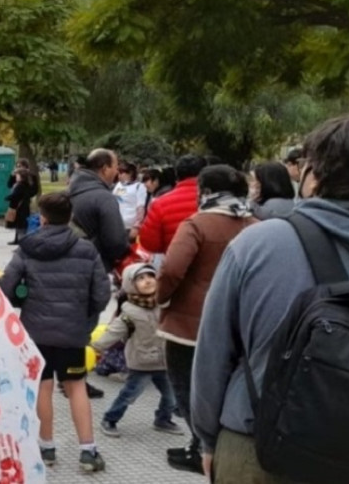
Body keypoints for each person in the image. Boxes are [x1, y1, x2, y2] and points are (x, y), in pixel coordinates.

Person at [193, 116, 349, 481]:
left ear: (314, 175)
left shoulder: (260, 243)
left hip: (259, 444)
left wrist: (208, 440)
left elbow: (213, 355)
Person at [0, 192, 111, 472]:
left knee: (42, 387)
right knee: (76, 387)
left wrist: (21, 301)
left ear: (43, 218)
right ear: (70, 216)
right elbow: (101, 294)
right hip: (73, 333)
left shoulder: (26, 248)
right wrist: (86, 320)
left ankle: (46, 448)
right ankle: (88, 451)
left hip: (36, 333)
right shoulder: (87, 250)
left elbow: (5, 288)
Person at [157, 165, 257, 474]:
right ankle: (213, 445)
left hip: (190, 326)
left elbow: (172, 269)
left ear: (206, 191)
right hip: (241, 324)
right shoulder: (256, 224)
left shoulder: (197, 224)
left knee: (188, 389)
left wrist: (161, 298)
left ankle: (202, 446)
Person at [93, 263, 183, 437]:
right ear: (130, 285)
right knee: (129, 395)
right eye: (140, 278)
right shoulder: (130, 313)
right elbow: (114, 332)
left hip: (164, 360)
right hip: (141, 363)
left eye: (150, 276)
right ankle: (110, 418)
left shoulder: (163, 305)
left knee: (171, 396)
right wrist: (95, 347)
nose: (147, 281)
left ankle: (162, 419)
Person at [68, 148, 129, 271]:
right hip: (96, 266)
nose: (117, 172)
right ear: (105, 169)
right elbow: (116, 243)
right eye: (116, 167)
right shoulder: (104, 198)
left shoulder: (69, 192)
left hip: (69, 265)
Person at [140, 155, 207, 255]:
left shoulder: (159, 204)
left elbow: (149, 243)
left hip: (172, 260)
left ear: (177, 174)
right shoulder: (216, 202)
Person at [113, 161, 148, 241]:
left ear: (130, 173)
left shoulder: (139, 187)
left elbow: (140, 208)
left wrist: (136, 226)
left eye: (122, 173)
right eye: (119, 173)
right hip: (116, 224)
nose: (119, 176)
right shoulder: (118, 185)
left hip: (129, 227)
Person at [5, 168, 33, 246]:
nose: (16, 177)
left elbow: (15, 196)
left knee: (21, 228)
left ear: (21, 176)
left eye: (17, 175)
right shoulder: (26, 185)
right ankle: (19, 243)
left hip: (20, 209)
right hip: (23, 208)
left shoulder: (20, 185)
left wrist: (7, 198)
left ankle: (22, 246)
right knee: (20, 228)